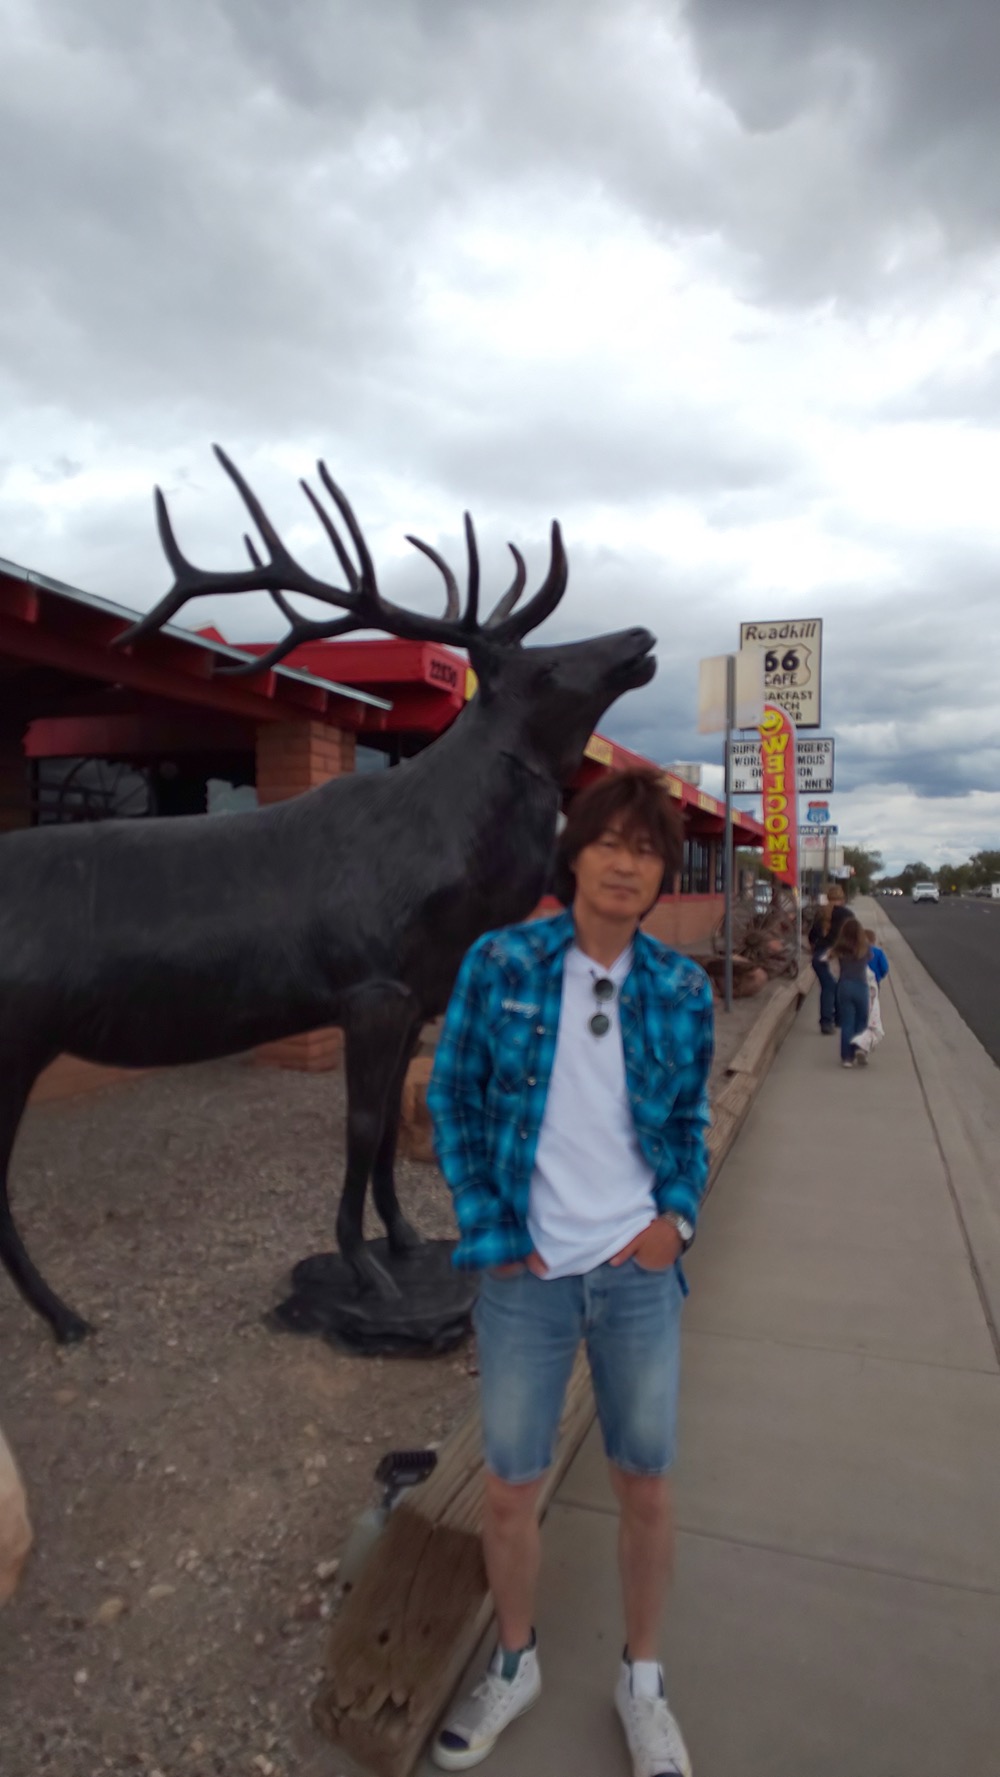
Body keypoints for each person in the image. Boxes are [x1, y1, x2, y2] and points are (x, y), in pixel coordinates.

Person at [427, 769, 713, 1777]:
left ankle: (644, 1680)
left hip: (637, 1273)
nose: (628, 863)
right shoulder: (501, 963)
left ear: (662, 872)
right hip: (527, 1275)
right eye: (611, 842)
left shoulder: (681, 988)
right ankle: (515, 1662)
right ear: (576, 852)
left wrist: (675, 1221)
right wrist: (492, 1226)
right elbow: (453, 1097)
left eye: (648, 849)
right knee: (510, 1488)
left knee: (646, 1483)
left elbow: (688, 1122)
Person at [808, 883, 850, 1035]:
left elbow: (811, 937)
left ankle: (834, 1019)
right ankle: (829, 1021)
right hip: (836, 955)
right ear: (842, 899)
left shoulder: (820, 913)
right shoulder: (846, 914)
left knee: (829, 986)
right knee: (835, 986)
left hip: (819, 956)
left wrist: (816, 948)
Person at [831, 915, 871, 1068]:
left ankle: (847, 1058)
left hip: (845, 985)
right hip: (861, 986)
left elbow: (830, 961)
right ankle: (860, 1048)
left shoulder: (839, 949)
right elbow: (870, 959)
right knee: (861, 1019)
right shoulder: (865, 949)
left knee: (847, 1021)